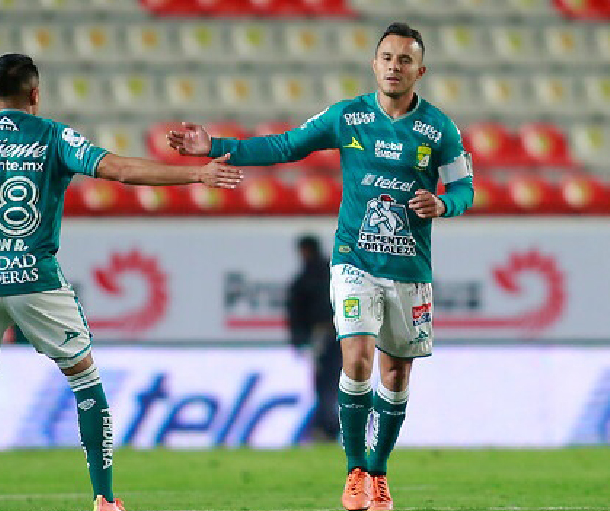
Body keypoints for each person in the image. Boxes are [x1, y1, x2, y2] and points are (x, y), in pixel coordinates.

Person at [0, 53, 241, 511]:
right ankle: (104, 500)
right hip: (35, 280)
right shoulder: (52, 136)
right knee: (86, 383)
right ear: (35, 93)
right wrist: (198, 174)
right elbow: (121, 171)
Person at [167, 22, 473, 511]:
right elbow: (287, 145)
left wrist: (444, 204)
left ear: (420, 70)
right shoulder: (348, 117)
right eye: (387, 58)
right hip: (355, 262)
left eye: (405, 60)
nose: (394, 67)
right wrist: (218, 145)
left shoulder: (439, 129)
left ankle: (378, 471)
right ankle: (354, 471)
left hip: (410, 271)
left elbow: (465, 188)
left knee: (395, 377)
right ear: (375, 65)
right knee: (356, 359)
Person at [286, 234, 341, 442]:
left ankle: (326, 427)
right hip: (344, 334)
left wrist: (298, 340)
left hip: (321, 336)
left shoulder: (304, 279)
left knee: (322, 383)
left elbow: (296, 313)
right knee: (337, 381)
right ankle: (332, 425)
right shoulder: (336, 273)